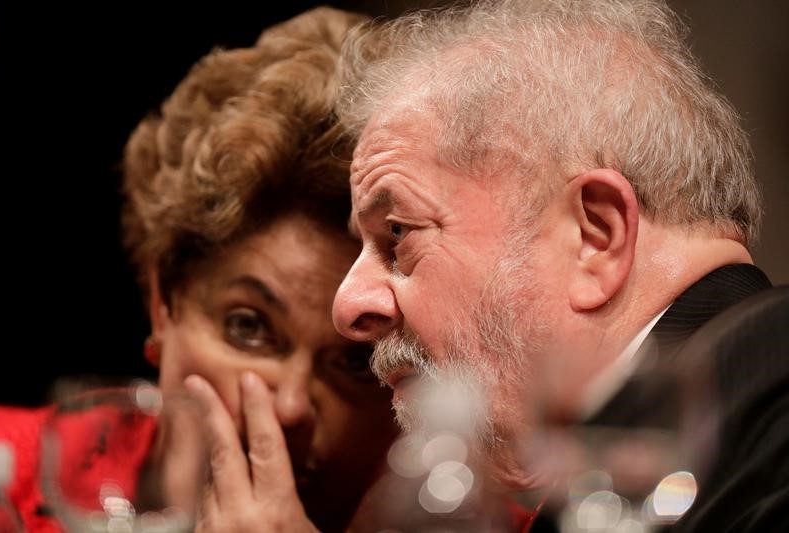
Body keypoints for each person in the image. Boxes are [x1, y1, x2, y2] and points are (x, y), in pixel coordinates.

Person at [330, 0, 788, 530]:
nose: (348, 305)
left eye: (398, 233)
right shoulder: (619, 464)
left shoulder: (774, 381)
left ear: (596, 236)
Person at [0, 7, 397, 533]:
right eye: (247, 327)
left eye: (358, 362)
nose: (292, 407)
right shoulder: (5, 476)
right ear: (165, 301)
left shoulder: (467, 511)